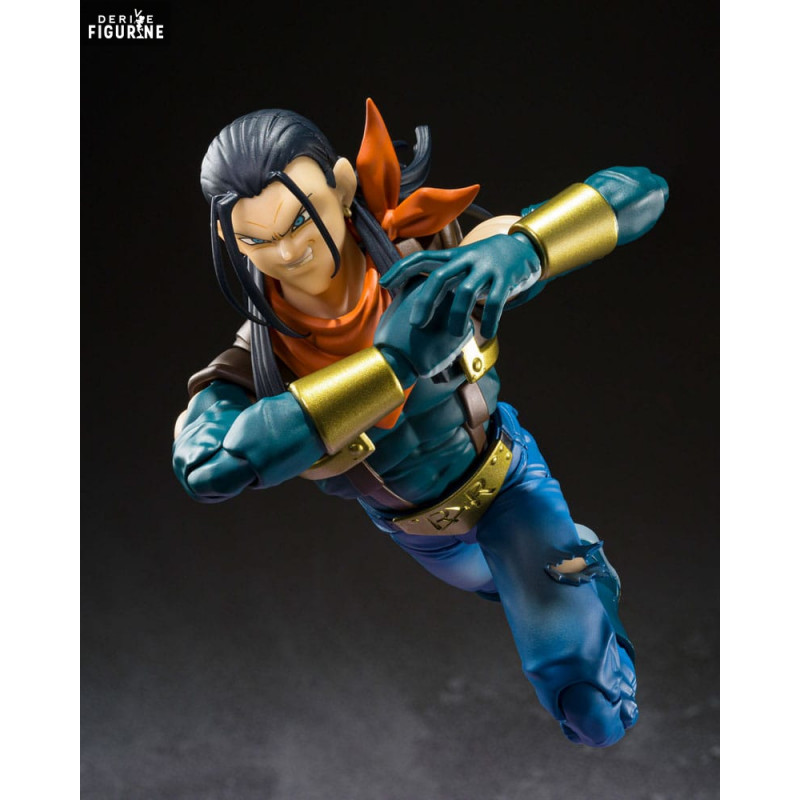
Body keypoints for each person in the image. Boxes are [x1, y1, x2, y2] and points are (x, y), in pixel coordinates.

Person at [173, 98, 669, 747]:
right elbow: (207, 466)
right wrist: (393, 365)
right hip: (426, 541)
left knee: (593, 711)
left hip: (509, 489)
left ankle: (567, 574)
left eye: (300, 219)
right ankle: (566, 568)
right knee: (507, 585)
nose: (289, 251)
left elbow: (642, 192)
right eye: (256, 240)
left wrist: (523, 250)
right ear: (228, 240)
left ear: (341, 185)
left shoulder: (428, 250)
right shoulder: (260, 360)